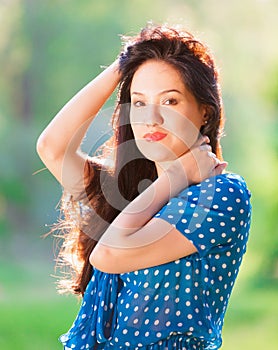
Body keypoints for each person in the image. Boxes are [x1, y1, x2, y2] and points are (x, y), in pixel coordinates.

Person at [36, 24, 252, 350]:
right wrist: (124, 63)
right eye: (138, 103)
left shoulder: (221, 195)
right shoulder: (129, 193)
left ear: (204, 111)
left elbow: (109, 254)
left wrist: (177, 176)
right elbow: (52, 146)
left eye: (170, 101)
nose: (151, 118)